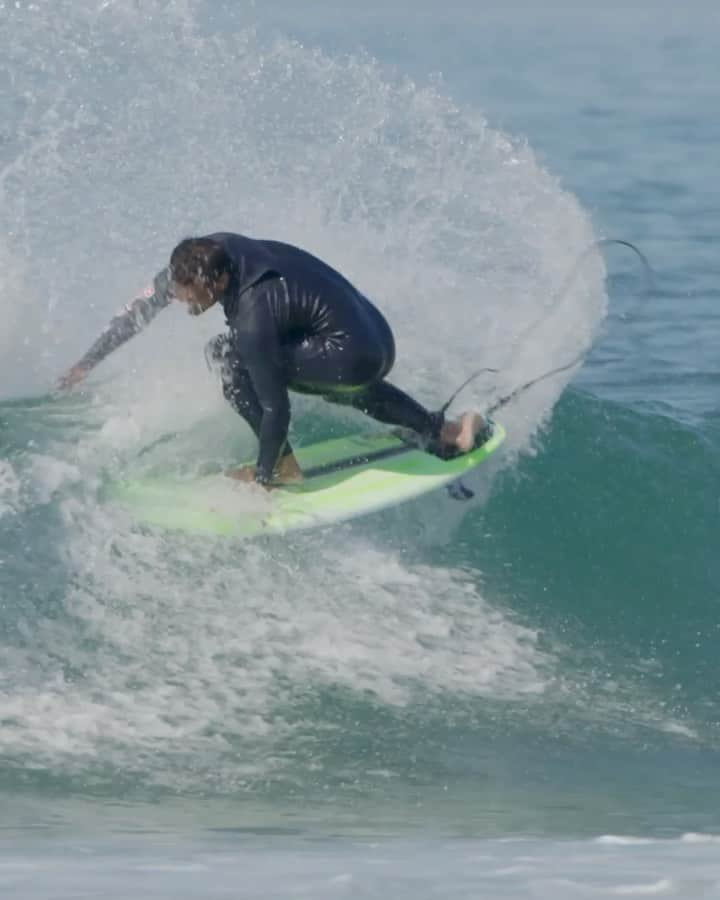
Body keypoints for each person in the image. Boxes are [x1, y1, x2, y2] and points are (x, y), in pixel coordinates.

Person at [58, 232, 485, 486]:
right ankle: (447, 430)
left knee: (227, 354)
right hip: (372, 336)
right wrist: (86, 363)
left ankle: (279, 468)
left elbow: (275, 407)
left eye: (193, 294)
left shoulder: (253, 314)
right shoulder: (206, 256)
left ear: (219, 280)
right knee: (332, 384)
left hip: (353, 355)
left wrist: (261, 477)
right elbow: (139, 311)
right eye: (180, 289)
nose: (184, 300)